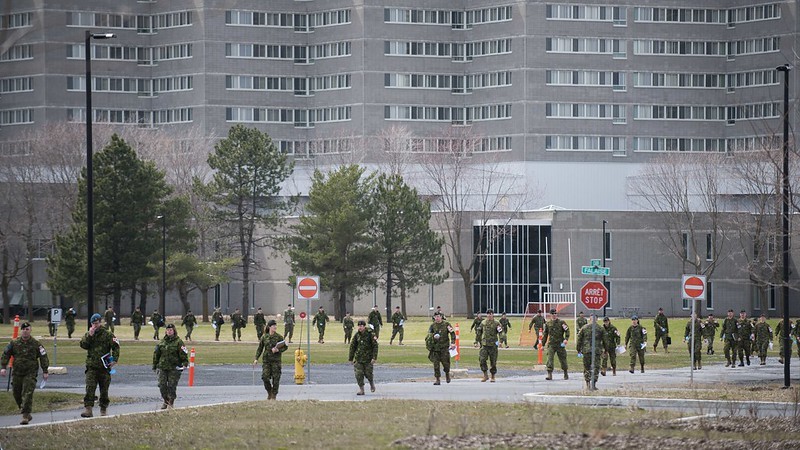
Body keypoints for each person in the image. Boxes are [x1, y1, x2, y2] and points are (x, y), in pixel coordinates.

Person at [1, 321, 49, 425]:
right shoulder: (14, 343)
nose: (25, 331)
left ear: (30, 330)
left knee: (27, 393)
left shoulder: (36, 344)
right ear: (21, 330)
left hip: (30, 373)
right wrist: (3, 367)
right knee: (16, 393)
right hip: (17, 372)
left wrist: (45, 370)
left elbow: (43, 356)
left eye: (27, 329)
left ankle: (25, 415)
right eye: (23, 329)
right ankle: (24, 409)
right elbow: (6, 354)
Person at [80, 313, 120, 418]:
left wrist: (115, 359)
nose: (95, 326)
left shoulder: (107, 334)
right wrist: (90, 335)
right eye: (93, 324)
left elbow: (116, 346)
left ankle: (103, 409)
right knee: (90, 388)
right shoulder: (89, 334)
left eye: (96, 323)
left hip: (104, 367)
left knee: (104, 390)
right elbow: (83, 345)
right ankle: (88, 409)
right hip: (91, 366)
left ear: (100, 322)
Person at [152, 323, 189, 409]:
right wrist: (155, 365)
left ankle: (171, 402)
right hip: (163, 367)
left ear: (174, 331)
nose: (169, 331)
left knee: (172, 386)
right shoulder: (162, 342)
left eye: (171, 330)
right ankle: (166, 400)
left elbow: (184, 354)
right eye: (168, 330)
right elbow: (156, 354)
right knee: (162, 385)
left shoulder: (179, 342)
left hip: (174, 368)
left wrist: (184, 364)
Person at [254, 319, 287, 400]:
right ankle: (269, 391)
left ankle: (274, 395)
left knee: (276, 379)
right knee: (265, 377)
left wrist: (278, 350)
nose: (275, 327)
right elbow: (260, 348)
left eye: (276, 325)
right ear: (269, 327)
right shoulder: (264, 337)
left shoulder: (279, 337)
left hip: (276, 361)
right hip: (266, 361)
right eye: (273, 326)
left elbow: (285, 347)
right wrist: (256, 359)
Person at [349, 320, 378, 395]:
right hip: (358, 359)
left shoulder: (370, 334)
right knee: (358, 374)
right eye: (359, 326)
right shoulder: (357, 335)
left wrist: (374, 357)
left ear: (364, 326)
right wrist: (351, 358)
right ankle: (362, 390)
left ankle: (371, 384)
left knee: (368, 374)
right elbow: (352, 346)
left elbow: (375, 346)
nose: (360, 327)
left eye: (361, 326)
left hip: (368, 359)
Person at [576, 314, 604, 390]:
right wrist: (605, 350)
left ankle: (588, 384)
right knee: (596, 367)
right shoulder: (600, 328)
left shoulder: (584, 328)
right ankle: (593, 384)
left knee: (587, 367)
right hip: (596, 351)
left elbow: (579, 339)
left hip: (587, 350)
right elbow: (605, 340)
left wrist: (578, 349)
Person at [426, 311, 455, 385]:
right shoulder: (432, 326)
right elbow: (429, 335)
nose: (437, 318)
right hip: (435, 348)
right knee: (436, 364)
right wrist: (433, 337)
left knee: (446, 363)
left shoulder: (446, 324)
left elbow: (452, 333)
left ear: (441, 317)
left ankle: (447, 374)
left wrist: (452, 343)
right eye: (435, 317)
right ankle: (437, 379)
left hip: (444, 348)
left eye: (438, 316)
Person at [542, 309, 569, 380]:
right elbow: (545, 335)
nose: (554, 315)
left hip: (560, 343)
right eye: (553, 313)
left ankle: (565, 372)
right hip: (551, 344)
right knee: (549, 359)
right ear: (550, 315)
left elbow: (567, 330)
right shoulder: (548, 324)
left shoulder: (561, 322)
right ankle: (549, 374)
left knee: (563, 358)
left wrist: (566, 339)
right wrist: (542, 345)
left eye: (555, 313)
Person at [479, 309, 501, 382]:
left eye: (491, 314)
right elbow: (479, 331)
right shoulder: (483, 322)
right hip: (485, 345)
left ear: (493, 315)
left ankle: (493, 376)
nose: (489, 315)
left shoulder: (496, 323)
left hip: (493, 345)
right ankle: (485, 375)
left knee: (493, 362)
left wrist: (501, 341)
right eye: (488, 314)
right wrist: (476, 341)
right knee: (482, 360)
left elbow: (501, 332)